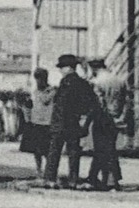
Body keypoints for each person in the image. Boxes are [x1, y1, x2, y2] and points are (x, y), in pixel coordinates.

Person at [46, 53, 97, 188]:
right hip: (74, 123)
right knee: (74, 153)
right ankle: (73, 180)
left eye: (62, 67)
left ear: (69, 68)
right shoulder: (83, 83)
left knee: (54, 152)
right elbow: (92, 104)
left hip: (61, 123)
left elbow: (60, 105)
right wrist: (83, 121)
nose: (60, 70)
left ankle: (50, 179)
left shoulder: (66, 82)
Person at [87, 58, 132, 191]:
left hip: (102, 119)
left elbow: (98, 103)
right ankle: (103, 178)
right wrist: (120, 116)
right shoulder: (120, 80)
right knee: (110, 148)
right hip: (116, 118)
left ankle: (106, 180)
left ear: (94, 68)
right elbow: (126, 101)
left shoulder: (96, 82)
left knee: (101, 149)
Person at [20, 68, 55, 177]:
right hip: (36, 122)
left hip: (47, 123)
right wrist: (28, 119)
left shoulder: (52, 91)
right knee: (37, 150)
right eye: (37, 79)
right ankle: (38, 169)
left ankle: (48, 170)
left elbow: (45, 100)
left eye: (41, 79)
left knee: (47, 150)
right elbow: (30, 107)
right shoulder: (35, 91)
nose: (39, 82)